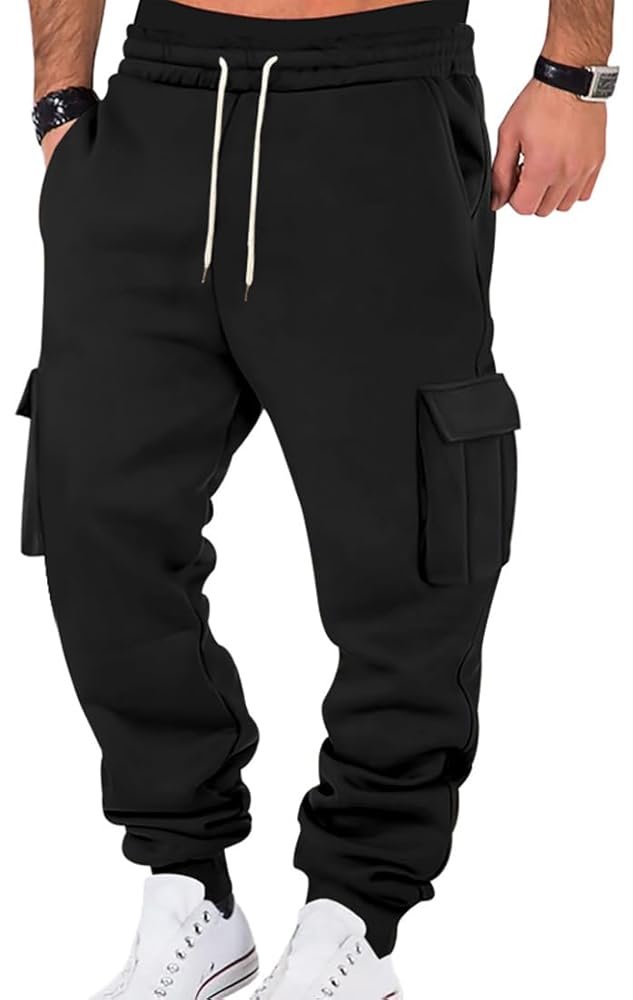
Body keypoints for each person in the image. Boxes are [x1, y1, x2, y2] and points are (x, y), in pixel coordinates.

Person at [21, 0, 617, 997]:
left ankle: (354, 918)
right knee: (94, 508)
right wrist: (58, 96)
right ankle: (187, 888)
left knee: (412, 535)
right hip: (158, 99)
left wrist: (575, 70)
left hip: (377, 93)